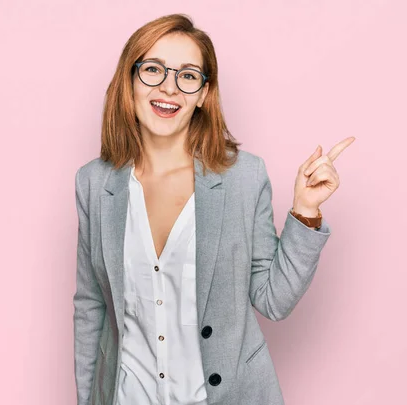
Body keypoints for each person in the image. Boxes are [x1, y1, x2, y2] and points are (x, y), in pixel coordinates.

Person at [73, 13, 354, 405]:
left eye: (187, 75)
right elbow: (91, 305)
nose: (169, 87)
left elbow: (273, 300)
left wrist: (306, 210)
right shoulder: (93, 182)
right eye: (153, 69)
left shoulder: (244, 176)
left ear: (204, 93)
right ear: (130, 79)